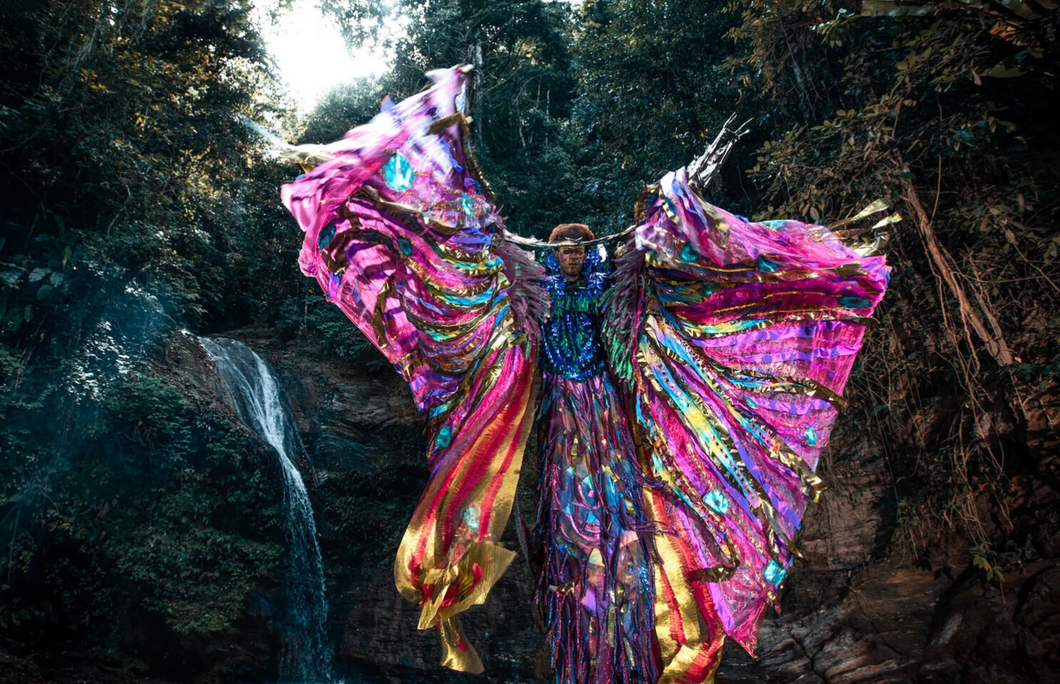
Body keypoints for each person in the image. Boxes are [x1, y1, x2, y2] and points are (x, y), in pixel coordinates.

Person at [279, 65, 890, 684]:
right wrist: (486, 232)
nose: (571, 255)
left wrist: (661, 216)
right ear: (554, 255)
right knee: (570, 527)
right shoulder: (534, 291)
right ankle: (577, 642)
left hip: (604, 407)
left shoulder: (607, 289)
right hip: (562, 411)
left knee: (623, 521)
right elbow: (493, 265)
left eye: (578, 247)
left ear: (589, 252)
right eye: (564, 248)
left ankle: (637, 638)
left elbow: (640, 279)